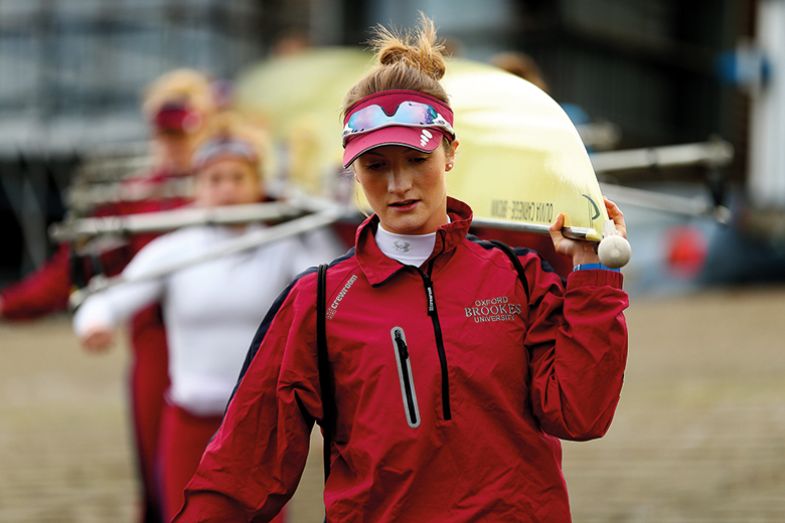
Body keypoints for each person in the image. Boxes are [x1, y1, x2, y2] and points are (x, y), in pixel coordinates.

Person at [176, 15, 629, 522]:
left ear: (450, 152)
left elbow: (580, 414)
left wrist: (593, 280)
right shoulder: (319, 301)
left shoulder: (519, 277)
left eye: (416, 159)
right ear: (353, 170)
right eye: (376, 165)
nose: (398, 185)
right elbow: (243, 466)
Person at [73, 113, 335, 522]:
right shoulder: (175, 247)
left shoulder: (284, 246)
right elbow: (110, 297)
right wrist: (95, 322)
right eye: (215, 180)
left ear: (258, 185)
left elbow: (330, 287)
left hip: (257, 426)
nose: (227, 189)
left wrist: (319, 211)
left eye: (237, 178)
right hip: (188, 420)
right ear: (197, 187)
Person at [1, 68, 216, 523]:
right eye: (165, 132)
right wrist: (8, 306)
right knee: (161, 481)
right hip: (158, 350)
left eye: (186, 130)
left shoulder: (240, 192)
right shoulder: (134, 199)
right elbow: (69, 275)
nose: (175, 143)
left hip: (233, 353)